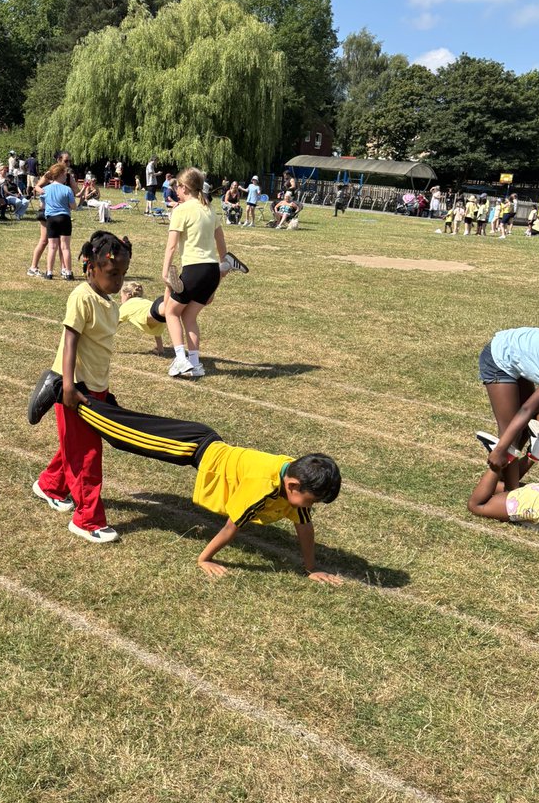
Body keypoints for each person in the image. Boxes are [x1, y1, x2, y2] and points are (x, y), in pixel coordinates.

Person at [28, 367, 343, 579]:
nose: (308, 507)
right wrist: (204, 558)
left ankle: (99, 402)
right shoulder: (263, 487)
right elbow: (231, 528)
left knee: (131, 428)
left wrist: (311, 569)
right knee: (122, 436)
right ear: (293, 484)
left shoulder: (294, 476)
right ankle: (60, 388)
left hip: (201, 444)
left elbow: (305, 529)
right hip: (190, 446)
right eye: (309, 500)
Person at [32, 230, 133, 543]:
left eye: (123, 274)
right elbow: (71, 339)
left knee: (75, 447)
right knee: (87, 454)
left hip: (95, 387)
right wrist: (69, 387)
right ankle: (88, 519)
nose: (118, 281)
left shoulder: (109, 302)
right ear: (91, 268)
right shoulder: (82, 296)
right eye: (112, 273)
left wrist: (103, 388)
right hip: (74, 388)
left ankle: (50, 484)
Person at [476, 327, 539, 491]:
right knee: (511, 435)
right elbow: (527, 409)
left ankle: (507, 484)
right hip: (498, 358)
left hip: (518, 359)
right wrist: (500, 450)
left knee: (525, 430)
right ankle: (512, 495)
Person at [161, 166, 227, 379]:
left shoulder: (181, 210)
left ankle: (181, 359)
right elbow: (221, 244)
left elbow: (171, 246)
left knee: (171, 312)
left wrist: (165, 272)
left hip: (194, 269)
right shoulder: (209, 210)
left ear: (184, 187)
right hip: (211, 271)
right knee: (189, 316)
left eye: (177, 187)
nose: (175, 191)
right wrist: (222, 270)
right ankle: (196, 364)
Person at [467, 464, 539, 544]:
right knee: (475, 506)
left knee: (496, 487)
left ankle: (519, 454)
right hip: (538, 505)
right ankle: (498, 463)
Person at [40, 161, 77, 277]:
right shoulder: (67, 190)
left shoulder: (46, 189)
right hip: (64, 218)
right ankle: (68, 272)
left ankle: (49, 272)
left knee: (52, 247)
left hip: (51, 219)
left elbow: (42, 206)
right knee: (65, 247)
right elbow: (73, 206)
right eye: (65, 174)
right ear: (60, 174)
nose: (66, 176)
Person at [118, 281, 165, 354]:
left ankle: (171, 290)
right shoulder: (143, 302)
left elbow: (113, 325)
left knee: (165, 306)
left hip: (156, 314)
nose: (120, 299)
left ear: (128, 295)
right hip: (160, 317)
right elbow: (157, 332)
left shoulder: (127, 305)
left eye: (121, 296)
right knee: (165, 307)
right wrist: (160, 350)